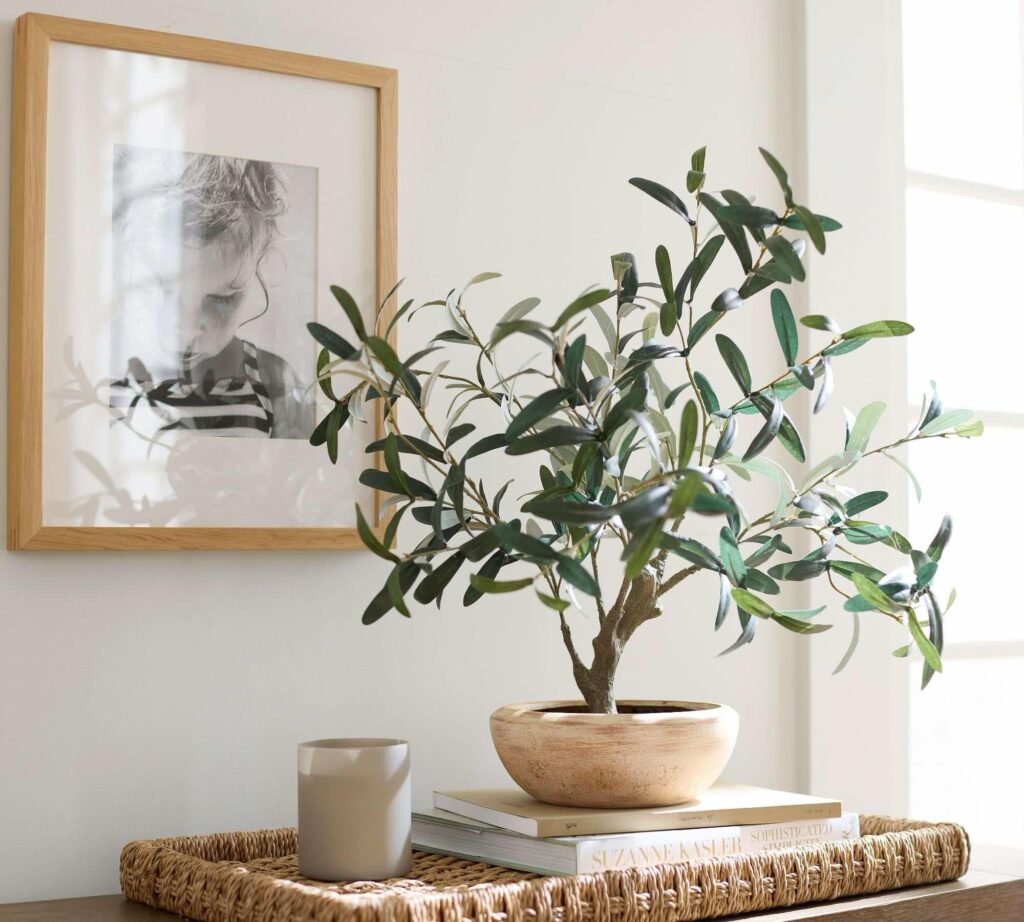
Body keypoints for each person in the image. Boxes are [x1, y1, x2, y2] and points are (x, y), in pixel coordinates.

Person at [109, 147, 314, 439]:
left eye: (222, 299)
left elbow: (307, 474)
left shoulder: (274, 381)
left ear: (258, 268)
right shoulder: (100, 370)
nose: (188, 328)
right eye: (161, 288)